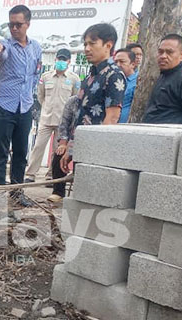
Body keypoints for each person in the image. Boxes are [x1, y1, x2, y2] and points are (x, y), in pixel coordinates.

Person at [51, 24, 126, 198]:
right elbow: (79, 117)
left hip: (96, 152)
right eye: (85, 44)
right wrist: (71, 148)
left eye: (92, 43)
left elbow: (112, 118)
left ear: (108, 45)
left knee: (90, 200)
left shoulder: (113, 75)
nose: (87, 49)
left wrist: (96, 153)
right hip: (82, 148)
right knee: (79, 199)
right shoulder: (90, 77)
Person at [0, 5, 42, 186]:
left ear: (28, 24)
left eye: (18, 25)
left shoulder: (36, 47)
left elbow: (36, 73)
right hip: (4, 106)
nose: (14, 29)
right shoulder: (7, 44)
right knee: (1, 152)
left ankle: (17, 192)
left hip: (25, 106)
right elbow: (2, 53)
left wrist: (30, 94)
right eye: (11, 24)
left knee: (21, 152)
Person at [24, 48, 80, 183]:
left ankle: (51, 176)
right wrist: (47, 108)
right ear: (55, 60)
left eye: (64, 60)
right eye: (59, 59)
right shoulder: (46, 76)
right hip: (46, 118)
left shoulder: (74, 79)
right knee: (38, 146)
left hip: (63, 122)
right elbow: (40, 96)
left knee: (58, 150)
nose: (61, 62)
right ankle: (30, 175)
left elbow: (75, 99)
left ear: (69, 61)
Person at [48, 95, 80, 202]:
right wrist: (63, 143)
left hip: (87, 141)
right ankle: (58, 192)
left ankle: (79, 193)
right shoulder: (72, 101)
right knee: (59, 154)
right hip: (71, 139)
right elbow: (64, 124)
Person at [113, 48, 137, 123]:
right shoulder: (112, 81)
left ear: (132, 64)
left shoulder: (138, 83)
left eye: (122, 62)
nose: (118, 65)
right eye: (116, 62)